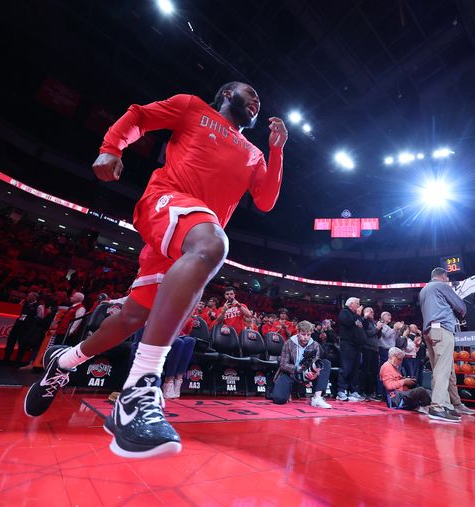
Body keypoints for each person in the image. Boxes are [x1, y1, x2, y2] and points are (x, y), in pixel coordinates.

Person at [23, 81, 288, 459]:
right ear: (227, 94)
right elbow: (140, 116)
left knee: (133, 316)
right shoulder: (192, 107)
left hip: (187, 236)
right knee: (214, 245)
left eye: (260, 97)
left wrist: (276, 152)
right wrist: (111, 148)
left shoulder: (253, 153)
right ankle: (138, 391)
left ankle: (63, 361)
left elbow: (265, 201)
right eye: (251, 92)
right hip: (168, 203)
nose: (258, 99)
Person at [419, 267, 474, 422]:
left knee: (443, 369)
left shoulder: (424, 290)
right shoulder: (442, 286)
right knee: (443, 370)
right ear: (443, 276)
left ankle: (448, 405)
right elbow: (461, 307)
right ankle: (437, 406)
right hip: (442, 329)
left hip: (429, 331)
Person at [271, 320, 332, 408]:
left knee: (326, 363)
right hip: (291, 373)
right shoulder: (289, 343)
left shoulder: (315, 345)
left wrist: (315, 373)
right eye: (303, 334)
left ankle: (317, 398)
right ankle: (287, 391)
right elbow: (283, 364)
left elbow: (316, 362)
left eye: (308, 335)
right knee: (279, 399)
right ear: (298, 332)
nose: (306, 337)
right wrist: (298, 368)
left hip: (308, 373)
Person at [379, 347, 431, 413]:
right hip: (395, 398)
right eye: (399, 359)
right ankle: (427, 407)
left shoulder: (394, 367)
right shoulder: (386, 367)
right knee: (421, 391)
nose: (400, 362)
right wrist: (404, 381)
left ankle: (429, 406)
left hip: (402, 394)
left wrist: (407, 381)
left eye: (401, 360)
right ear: (391, 357)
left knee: (428, 392)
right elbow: (389, 385)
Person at [336, 297, 366, 402]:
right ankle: (341, 391)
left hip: (357, 345)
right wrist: (357, 315)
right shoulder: (344, 312)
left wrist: (363, 317)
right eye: (357, 303)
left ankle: (354, 391)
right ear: (351, 304)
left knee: (355, 369)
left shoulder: (357, 316)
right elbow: (347, 322)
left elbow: (361, 328)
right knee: (346, 367)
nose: (359, 305)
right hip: (347, 344)